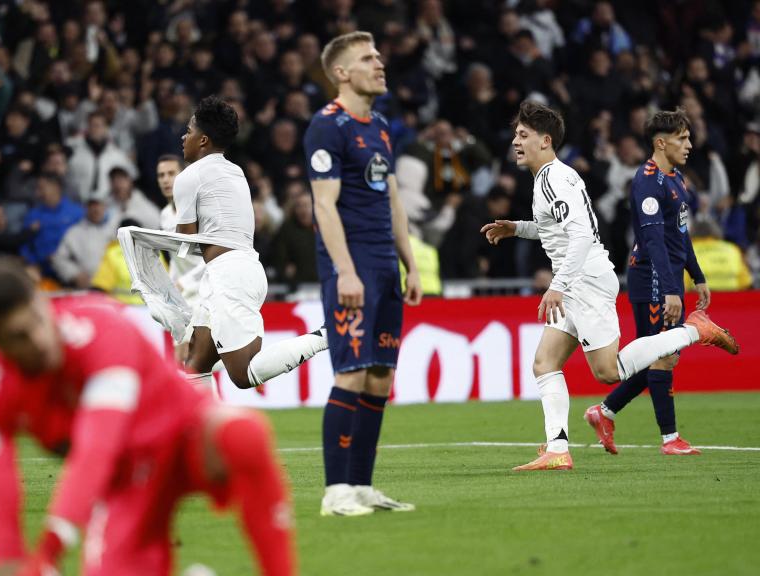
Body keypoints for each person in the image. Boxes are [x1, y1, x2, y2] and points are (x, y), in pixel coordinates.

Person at [0, 262, 295, 576]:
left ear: (41, 300)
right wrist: (14, 566)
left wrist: (51, 547)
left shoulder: (99, 329)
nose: (39, 341)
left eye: (37, 320)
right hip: (127, 477)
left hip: (185, 433)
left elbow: (97, 446)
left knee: (242, 435)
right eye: (19, 337)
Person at [480, 101, 739, 472]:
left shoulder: (553, 179)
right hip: (580, 278)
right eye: (516, 135)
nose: (516, 142)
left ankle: (693, 331)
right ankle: (557, 449)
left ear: (545, 139)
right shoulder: (551, 177)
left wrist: (558, 285)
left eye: (523, 135)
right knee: (545, 362)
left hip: (582, 280)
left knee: (608, 371)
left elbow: (582, 235)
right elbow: (559, 231)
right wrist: (517, 228)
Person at [303, 31, 423, 517]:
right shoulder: (326, 127)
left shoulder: (379, 124)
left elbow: (392, 199)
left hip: (385, 269)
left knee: (378, 377)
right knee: (350, 374)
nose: (379, 63)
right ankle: (335, 492)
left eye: (378, 55)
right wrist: (345, 272)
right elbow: (323, 206)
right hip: (350, 270)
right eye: (367, 58)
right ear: (341, 73)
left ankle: (362, 486)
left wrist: (411, 263)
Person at [584, 109, 728, 456]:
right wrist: (668, 288)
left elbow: (680, 235)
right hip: (650, 276)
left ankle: (604, 412)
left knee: (661, 355)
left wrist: (697, 275)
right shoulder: (648, 182)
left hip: (666, 276)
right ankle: (669, 439)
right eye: (682, 138)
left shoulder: (676, 179)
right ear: (661, 143)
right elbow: (653, 241)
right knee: (663, 355)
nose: (689, 144)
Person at [175, 96, 328, 394]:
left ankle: (326, 336)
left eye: (189, 130)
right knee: (195, 365)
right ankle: (210, 438)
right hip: (243, 269)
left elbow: (186, 240)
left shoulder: (188, 177)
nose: (184, 137)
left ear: (203, 140)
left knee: (244, 374)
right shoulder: (236, 172)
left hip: (227, 276)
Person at [157, 154, 204, 363]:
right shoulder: (165, 215)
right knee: (185, 361)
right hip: (182, 296)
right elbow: (175, 260)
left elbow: (211, 258)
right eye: (161, 175)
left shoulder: (199, 210)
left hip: (205, 290)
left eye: (171, 173)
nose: (165, 180)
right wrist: (170, 285)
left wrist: (183, 283)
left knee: (187, 357)